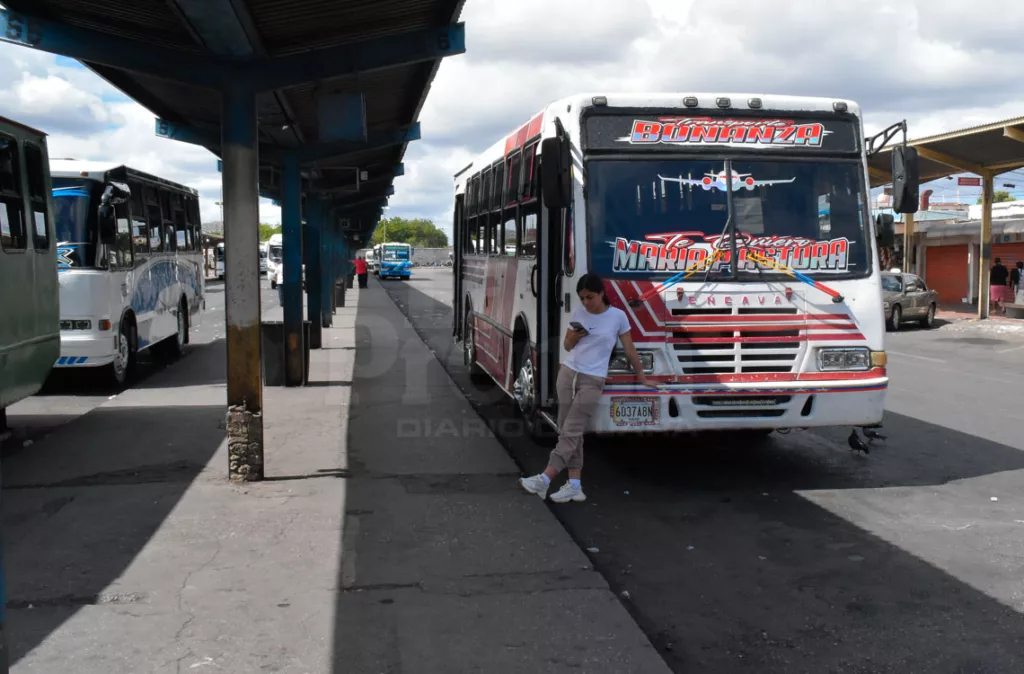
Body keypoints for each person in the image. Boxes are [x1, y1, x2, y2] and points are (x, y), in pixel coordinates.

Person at [519, 272, 655, 504]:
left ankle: (544, 479)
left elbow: (630, 349)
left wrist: (641, 376)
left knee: (571, 431)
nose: (585, 302)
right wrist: (575, 336)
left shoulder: (618, 317)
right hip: (568, 373)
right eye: (582, 298)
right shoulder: (580, 313)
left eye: (589, 297)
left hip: (593, 379)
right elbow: (567, 345)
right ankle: (574, 485)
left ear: (602, 294)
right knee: (570, 432)